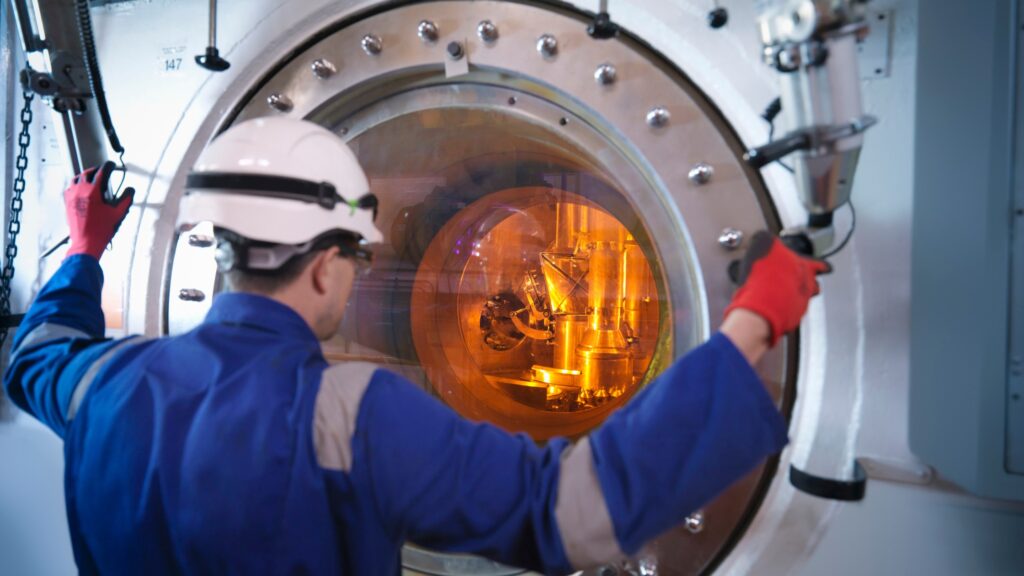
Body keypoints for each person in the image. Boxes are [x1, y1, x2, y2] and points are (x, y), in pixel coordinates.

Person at [3, 117, 829, 575]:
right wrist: (751, 321)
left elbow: (31, 355)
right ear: (326, 267)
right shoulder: (347, 415)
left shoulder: (103, 382)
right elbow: (570, 513)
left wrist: (83, 249)